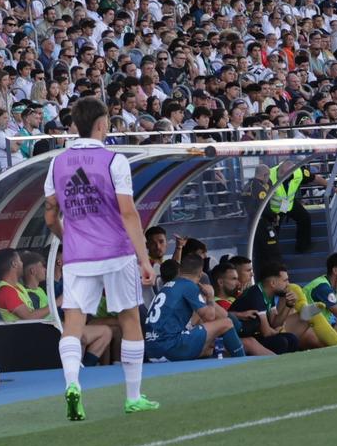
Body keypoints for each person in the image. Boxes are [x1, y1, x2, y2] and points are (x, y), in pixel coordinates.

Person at [42, 95, 158, 420]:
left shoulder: (57, 162)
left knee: (73, 323)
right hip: (116, 253)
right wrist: (144, 258)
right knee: (129, 318)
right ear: (101, 124)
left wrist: (70, 241)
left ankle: (72, 384)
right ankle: (133, 397)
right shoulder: (114, 160)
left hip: (79, 256)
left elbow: (50, 215)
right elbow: (128, 213)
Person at [143, 250, 242, 361]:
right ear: (200, 274)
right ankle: (244, 363)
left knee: (208, 348)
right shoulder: (189, 285)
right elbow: (209, 317)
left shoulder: (166, 287)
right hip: (171, 346)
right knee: (226, 323)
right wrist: (210, 297)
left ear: (180, 270)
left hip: (152, 350)